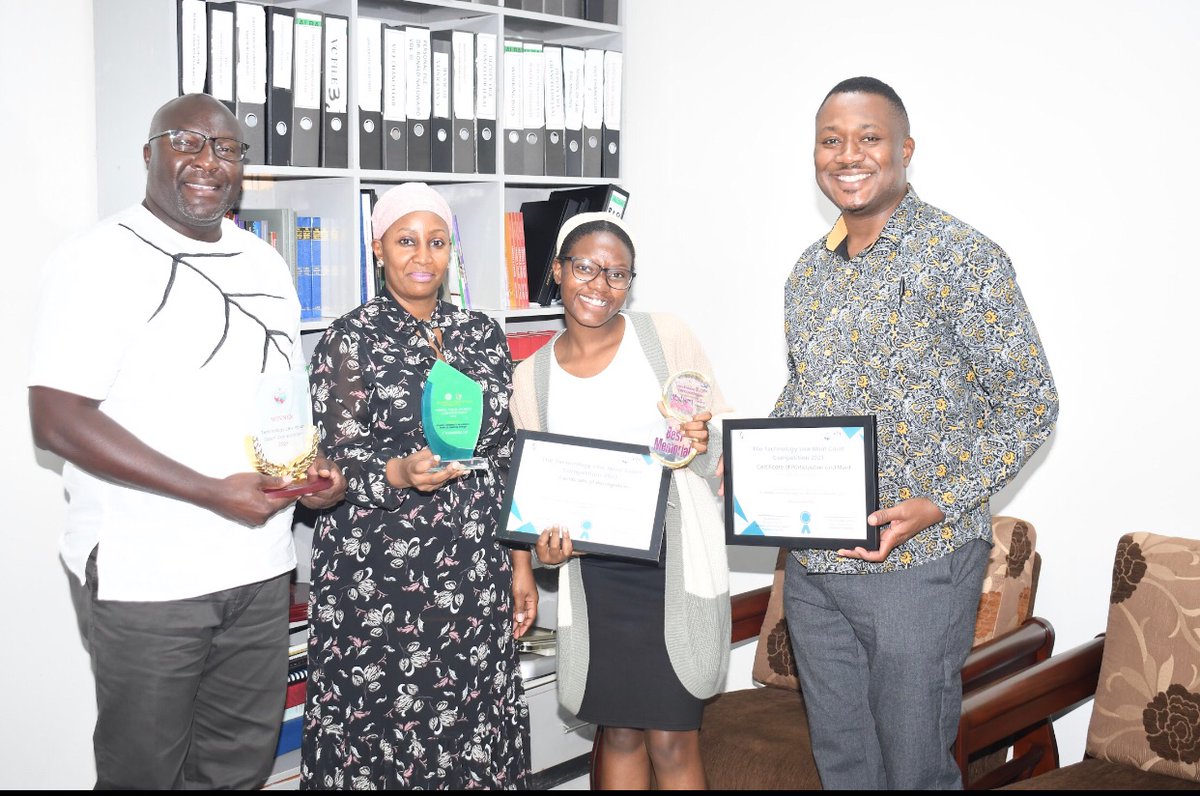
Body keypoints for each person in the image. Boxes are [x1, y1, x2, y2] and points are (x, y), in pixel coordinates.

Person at [26, 93, 347, 790]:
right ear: (149, 154)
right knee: (144, 775)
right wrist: (208, 491)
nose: (209, 162)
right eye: (188, 143)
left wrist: (310, 470)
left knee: (235, 771)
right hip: (150, 578)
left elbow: (274, 401)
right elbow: (55, 419)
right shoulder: (96, 259)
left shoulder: (265, 263)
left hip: (261, 569)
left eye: (227, 149)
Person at [772, 76, 1060, 790]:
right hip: (816, 569)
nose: (848, 155)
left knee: (912, 771)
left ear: (904, 149)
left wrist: (939, 501)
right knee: (844, 765)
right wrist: (752, 460)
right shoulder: (808, 273)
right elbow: (808, 390)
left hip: (919, 566)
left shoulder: (963, 257)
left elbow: (1030, 402)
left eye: (868, 138)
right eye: (831, 139)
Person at [301, 182, 534, 790]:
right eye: (406, 241)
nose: (422, 257)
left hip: (475, 574)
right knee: (382, 740)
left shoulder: (481, 333)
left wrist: (520, 563)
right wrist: (397, 472)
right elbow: (331, 460)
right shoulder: (347, 340)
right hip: (379, 582)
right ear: (378, 247)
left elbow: (506, 455)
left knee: (471, 729)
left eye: (436, 242)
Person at [511, 212, 731, 790]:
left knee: (674, 738)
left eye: (617, 274)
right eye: (584, 267)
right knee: (619, 733)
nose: (598, 285)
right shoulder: (529, 377)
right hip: (596, 579)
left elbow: (715, 446)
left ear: (631, 282)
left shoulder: (664, 338)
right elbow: (537, 501)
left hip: (673, 570)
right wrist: (546, 553)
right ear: (557, 271)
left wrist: (705, 441)